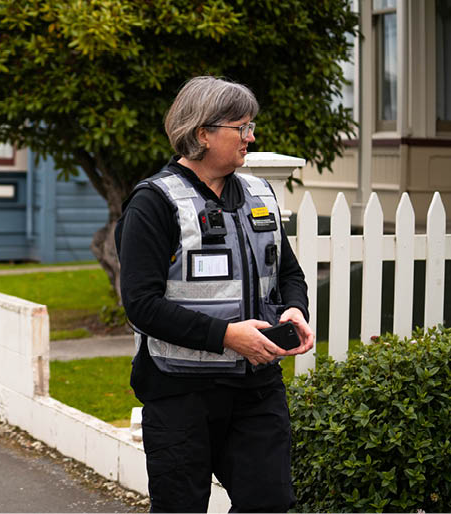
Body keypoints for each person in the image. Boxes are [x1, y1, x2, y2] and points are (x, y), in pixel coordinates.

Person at [115, 76, 315, 513]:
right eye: (240, 127)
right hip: (179, 393)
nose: (251, 136)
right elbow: (141, 305)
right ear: (202, 133)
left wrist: (295, 309)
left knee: (270, 503)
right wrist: (227, 336)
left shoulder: (260, 194)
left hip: (257, 390)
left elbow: (287, 272)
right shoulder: (154, 202)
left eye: (251, 125)